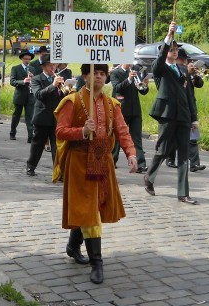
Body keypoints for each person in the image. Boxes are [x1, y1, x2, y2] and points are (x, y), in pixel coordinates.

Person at [54, 63, 137, 284]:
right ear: (85, 76)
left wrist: (131, 153)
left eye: (102, 74)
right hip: (80, 161)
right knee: (88, 210)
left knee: (94, 208)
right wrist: (82, 131)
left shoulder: (112, 104)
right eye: (94, 73)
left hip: (103, 161)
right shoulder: (71, 101)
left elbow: (122, 131)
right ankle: (97, 263)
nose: (99, 77)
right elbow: (60, 131)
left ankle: (73, 246)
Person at [143, 22, 199, 205]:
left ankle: (183, 193)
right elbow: (158, 61)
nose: (175, 52)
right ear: (165, 51)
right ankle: (149, 178)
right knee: (163, 149)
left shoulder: (183, 70)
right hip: (167, 115)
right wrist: (169, 34)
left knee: (183, 154)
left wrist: (194, 118)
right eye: (172, 49)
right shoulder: (160, 68)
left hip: (183, 116)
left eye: (176, 50)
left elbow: (188, 95)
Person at [25, 53, 66, 176]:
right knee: (37, 145)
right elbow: (38, 95)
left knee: (57, 147)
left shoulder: (59, 79)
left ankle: (58, 172)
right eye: (49, 65)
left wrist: (66, 88)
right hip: (42, 117)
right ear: (43, 67)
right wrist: (53, 86)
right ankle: (30, 166)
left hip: (56, 118)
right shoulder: (37, 79)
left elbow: (63, 98)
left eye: (54, 65)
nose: (52, 68)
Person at [166, 48, 206, 171]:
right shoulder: (173, 70)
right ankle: (170, 158)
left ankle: (194, 164)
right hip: (175, 106)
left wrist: (195, 75)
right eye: (181, 60)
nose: (184, 62)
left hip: (189, 105)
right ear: (176, 59)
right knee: (172, 134)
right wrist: (187, 73)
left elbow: (199, 84)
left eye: (185, 60)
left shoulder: (186, 70)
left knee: (192, 133)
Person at [110, 63, 150, 173]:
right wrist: (128, 79)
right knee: (118, 136)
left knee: (137, 137)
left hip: (135, 109)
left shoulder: (136, 72)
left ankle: (140, 164)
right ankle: (112, 160)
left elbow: (143, 91)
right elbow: (117, 88)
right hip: (122, 108)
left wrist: (145, 85)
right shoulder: (115, 73)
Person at [9, 50, 36, 143]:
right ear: (21, 59)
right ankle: (12, 132)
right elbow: (12, 81)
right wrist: (23, 81)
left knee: (30, 116)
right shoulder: (15, 68)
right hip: (20, 95)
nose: (27, 61)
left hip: (30, 96)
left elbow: (36, 82)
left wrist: (33, 78)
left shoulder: (32, 68)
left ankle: (30, 136)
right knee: (16, 115)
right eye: (25, 59)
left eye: (29, 59)